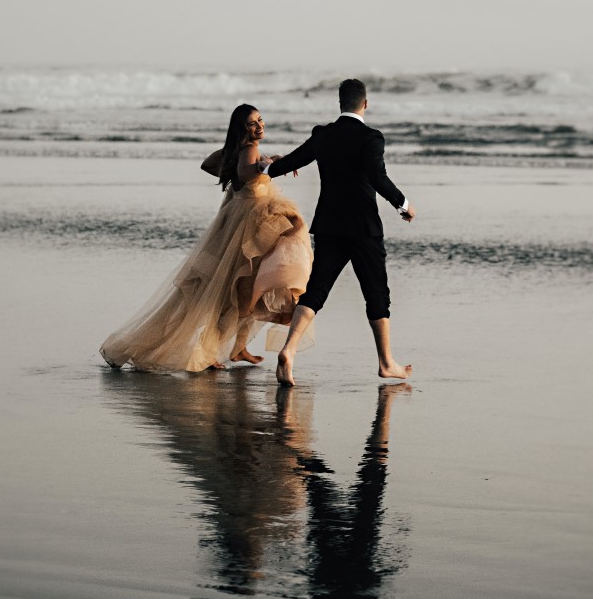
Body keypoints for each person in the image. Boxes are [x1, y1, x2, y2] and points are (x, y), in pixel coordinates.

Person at [99, 104, 313, 372]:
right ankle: (212, 352)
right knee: (241, 289)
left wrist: (247, 159)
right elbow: (247, 173)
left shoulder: (242, 151)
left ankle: (238, 348)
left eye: (260, 120)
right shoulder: (249, 150)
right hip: (249, 228)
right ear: (241, 129)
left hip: (238, 225)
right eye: (252, 124)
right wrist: (266, 164)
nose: (259, 126)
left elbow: (210, 164)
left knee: (246, 286)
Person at [266, 79, 414, 386]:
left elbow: (295, 160)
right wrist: (403, 204)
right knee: (377, 294)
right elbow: (377, 176)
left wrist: (267, 168)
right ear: (366, 104)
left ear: (340, 103)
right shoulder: (371, 137)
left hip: (330, 225)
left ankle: (289, 351)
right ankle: (386, 363)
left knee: (316, 290)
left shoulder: (324, 135)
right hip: (363, 228)